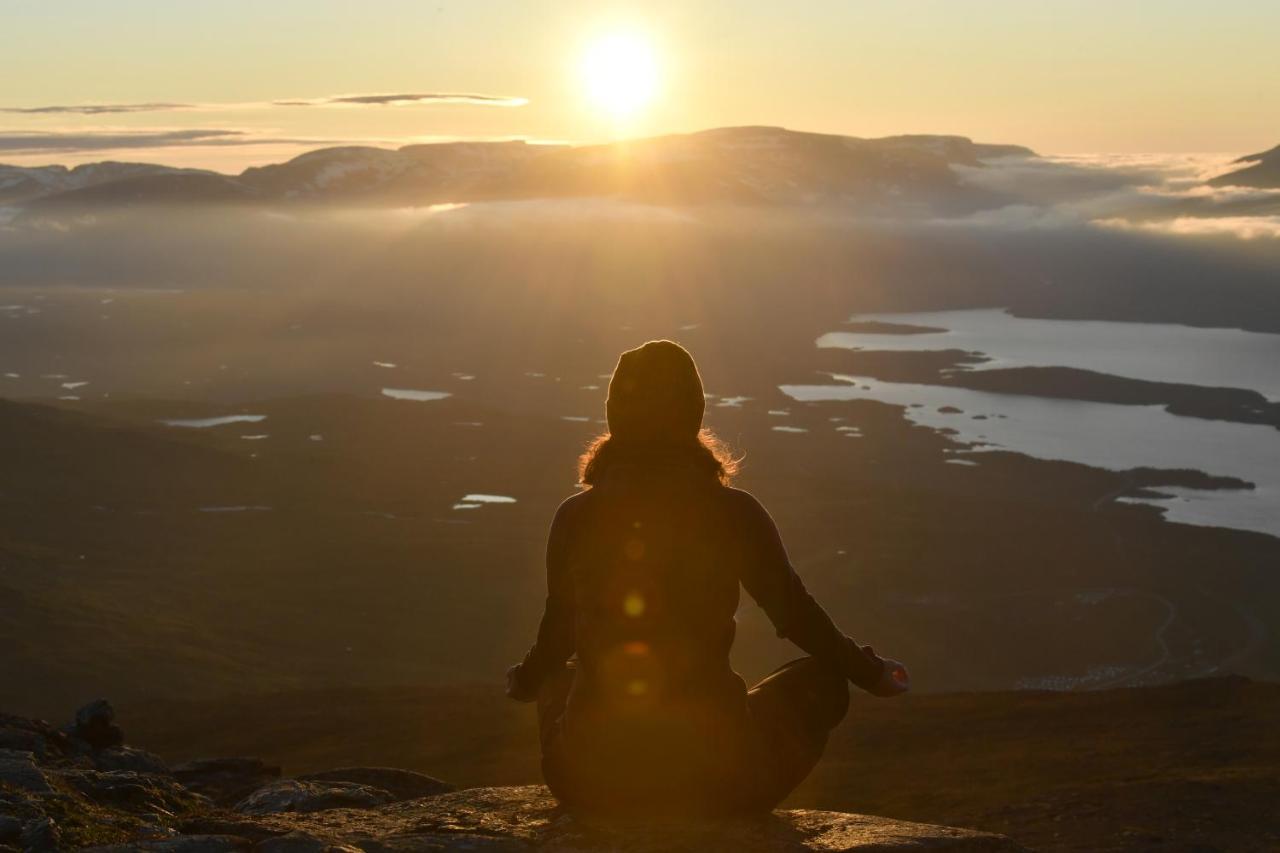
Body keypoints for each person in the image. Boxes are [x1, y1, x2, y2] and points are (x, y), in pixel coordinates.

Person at [506, 340, 909, 815]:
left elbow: (557, 635)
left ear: (615, 414)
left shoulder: (575, 516)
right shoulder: (734, 512)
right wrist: (869, 672)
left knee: (562, 675)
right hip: (717, 780)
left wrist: (526, 680)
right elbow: (796, 615)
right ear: (694, 413)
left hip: (587, 783)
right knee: (824, 683)